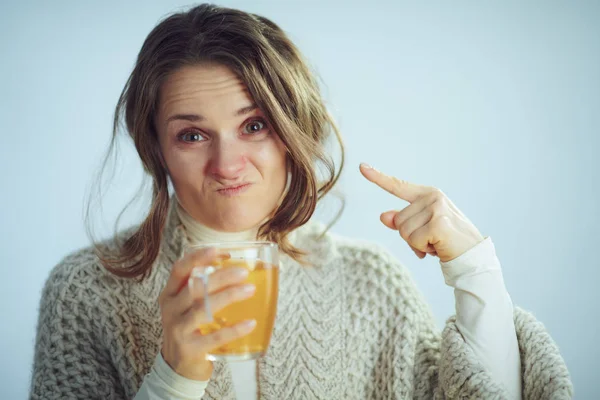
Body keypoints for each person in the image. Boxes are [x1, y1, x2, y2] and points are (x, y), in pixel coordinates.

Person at [30, 3, 573, 400]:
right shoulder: (86, 292)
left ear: (293, 130)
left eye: (255, 125)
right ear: (156, 148)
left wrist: (474, 271)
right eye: (192, 135)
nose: (227, 164)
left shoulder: (371, 284)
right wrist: (174, 376)